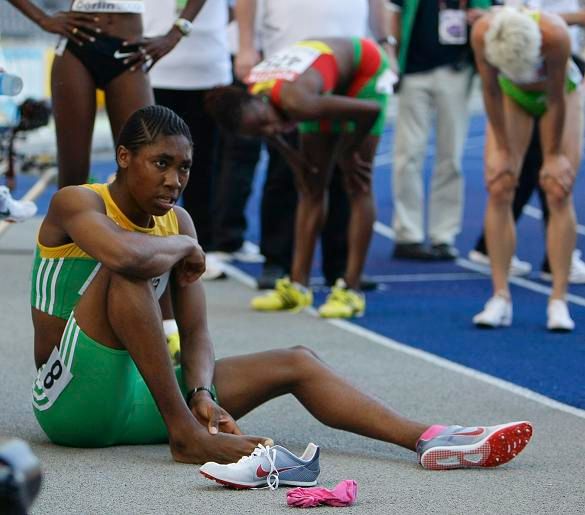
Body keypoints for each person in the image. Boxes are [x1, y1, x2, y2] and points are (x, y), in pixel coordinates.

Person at [30, 104, 533, 468]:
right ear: (123, 156)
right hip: (71, 402)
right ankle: (185, 436)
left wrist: (202, 392)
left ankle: (429, 440)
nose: (174, 179)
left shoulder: (179, 222)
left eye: (183, 167)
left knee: (297, 359)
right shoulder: (77, 203)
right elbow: (123, 256)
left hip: (144, 399)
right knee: (128, 271)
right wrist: (185, 249)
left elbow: (197, 330)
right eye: (160, 163)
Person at [207, 37, 395, 318]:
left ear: (260, 103)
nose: (271, 130)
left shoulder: (297, 102)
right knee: (310, 187)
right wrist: (295, 159)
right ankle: (297, 287)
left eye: (265, 122)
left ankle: (350, 290)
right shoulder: (257, 102)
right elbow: (272, 129)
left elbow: (372, 111)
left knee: (357, 181)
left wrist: (350, 151)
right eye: (259, 133)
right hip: (319, 82)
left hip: (364, 70)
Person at [7, 0, 205, 188]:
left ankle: (125, 225)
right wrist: (42, 19)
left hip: (129, 52)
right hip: (77, 46)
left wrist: (176, 33)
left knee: (144, 167)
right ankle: (76, 223)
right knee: (73, 177)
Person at [471, 7, 582, 330]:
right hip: (511, 97)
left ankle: (558, 300)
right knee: (499, 184)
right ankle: (499, 296)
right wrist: (503, 150)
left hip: (560, 95)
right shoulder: (482, 32)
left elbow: (557, 97)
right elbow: (490, 90)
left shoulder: (556, 34)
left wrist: (552, 156)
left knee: (558, 189)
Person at [389, 0, 491, 261]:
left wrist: (483, 17)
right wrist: (392, 59)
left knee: (451, 157)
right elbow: (394, 14)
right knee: (407, 154)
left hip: (457, 70)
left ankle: (443, 235)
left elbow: (496, 13)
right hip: (413, 71)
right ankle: (407, 234)